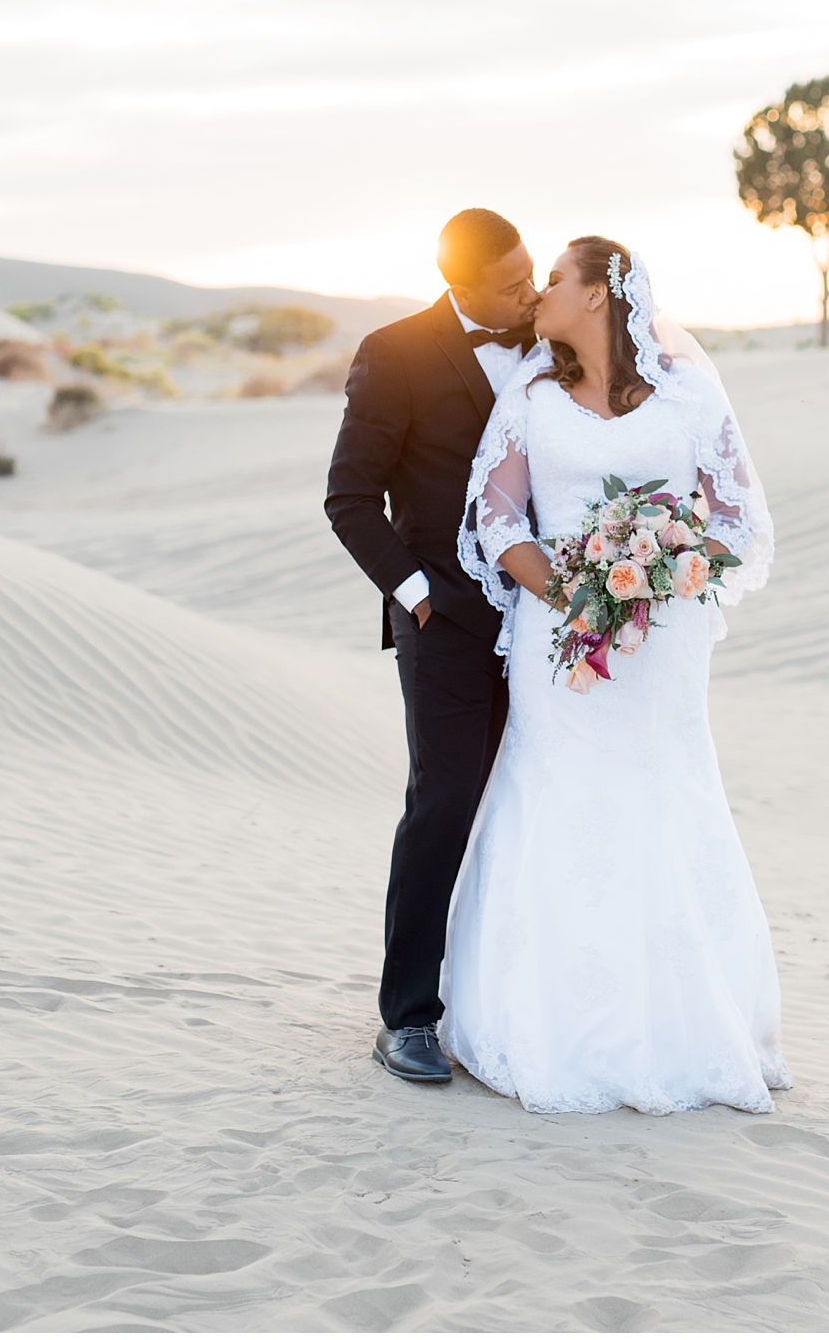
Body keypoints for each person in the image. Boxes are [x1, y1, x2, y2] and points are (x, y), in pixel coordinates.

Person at [446, 236, 791, 1114]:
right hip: (557, 644)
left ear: (601, 294)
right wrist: (571, 590)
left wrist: (668, 566)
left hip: (660, 646)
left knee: (665, 803)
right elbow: (497, 516)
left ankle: (686, 1030)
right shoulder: (530, 397)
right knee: (558, 802)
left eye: (557, 279)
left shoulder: (686, 396)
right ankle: (546, 1023)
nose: (542, 292)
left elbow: (737, 517)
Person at [324, 207, 539, 1084]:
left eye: (530, 278)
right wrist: (413, 597)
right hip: (444, 621)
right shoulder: (395, 352)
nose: (526, 296)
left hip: (545, 623)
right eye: (509, 286)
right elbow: (348, 497)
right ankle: (407, 1016)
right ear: (460, 285)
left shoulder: (550, 341)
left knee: (530, 803)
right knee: (444, 802)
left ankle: (506, 1001)